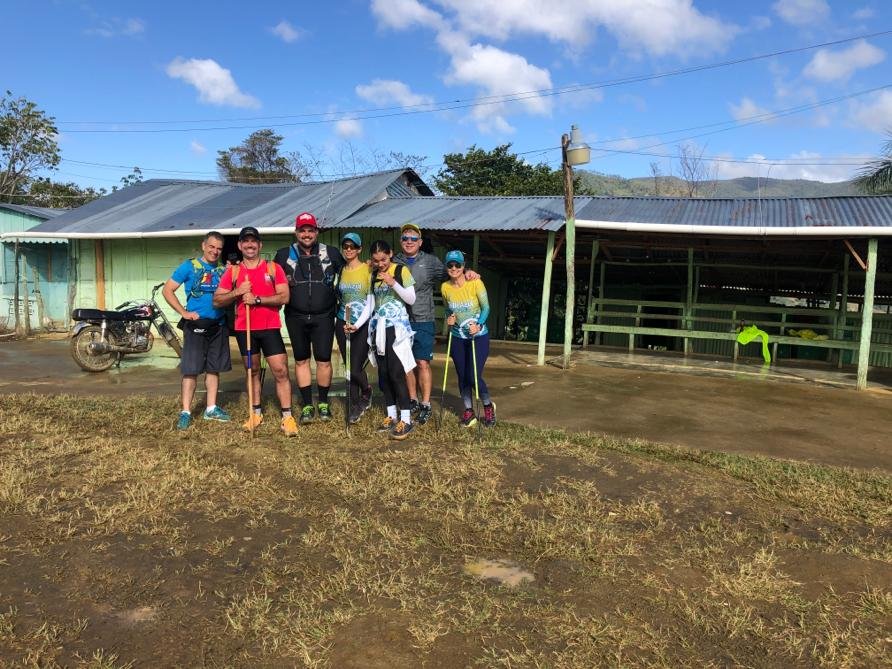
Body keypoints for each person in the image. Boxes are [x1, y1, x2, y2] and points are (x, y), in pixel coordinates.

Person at [214, 226, 297, 436]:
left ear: (260, 245)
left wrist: (257, 299)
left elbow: (284, 296)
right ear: (240, 245)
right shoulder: (233, 272)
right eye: (246, 241)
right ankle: (256, 413)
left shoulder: (273, 268)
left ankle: (287, 417)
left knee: (280, 370)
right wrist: (238, 292)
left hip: (270, 327)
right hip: (245, 329)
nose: (250, 245)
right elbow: (217, 300)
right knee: (252, 371)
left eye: (253, 241)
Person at [394, 223, 479, 426]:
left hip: (423, 318)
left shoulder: (430, 262)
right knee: (406, 363)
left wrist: (468, 272)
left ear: (420, 242)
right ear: (400, 241)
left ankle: (425, 404)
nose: (409, 242)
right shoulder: (394, 261)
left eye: (413, 238)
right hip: (400, 319)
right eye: (405, 238)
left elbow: (452, 273)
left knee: (422, 363)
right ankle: (412, 400)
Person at [274, 212, 346, 425]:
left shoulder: (331, 253)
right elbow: (269, 279)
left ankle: (323, 403)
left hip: (324, 316)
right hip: (295, 316)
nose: (306, 234)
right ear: (296, 232)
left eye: (310, 230)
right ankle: (307, 404)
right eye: (302, 230)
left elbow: (349, 273)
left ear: (316, 232)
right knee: (301, 360)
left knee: (324, 360)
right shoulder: (283, 255)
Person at [162, 231, 232, 430]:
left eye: (219, 248)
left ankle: (211, 408)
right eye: (211, 247)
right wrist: (183, 312)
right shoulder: (189, 266)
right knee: (191, 370)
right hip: (196, 326)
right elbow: (167, 290)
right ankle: (186, 412)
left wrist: (231, 272)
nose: (215, 251)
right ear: (203, 246)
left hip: (218, 325)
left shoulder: (223, 270)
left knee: (213, 368)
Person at [366, 240, 416, 440]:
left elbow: (411, 298)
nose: (380, 264)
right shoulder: (373, 275)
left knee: (396, 373)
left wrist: (393, 282)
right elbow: (371, 305)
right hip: (379, 329)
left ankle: (407, 419)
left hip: (398, 328)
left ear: (391, 254)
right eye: (376, 261)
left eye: (384, 259)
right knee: (384, 373)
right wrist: (356, 325)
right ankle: (391, 415)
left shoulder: (401, 271)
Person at [441, 250, 496, 428]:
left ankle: (488, 406)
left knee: (473, 376)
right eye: (450, 265)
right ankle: (468, 411)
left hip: (478, 336)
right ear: (446, 267)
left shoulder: (475, 283)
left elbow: (486, 308)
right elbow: (448, 310)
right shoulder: (445, 287)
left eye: (457, 264)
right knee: (462, 376)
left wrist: (478, 325)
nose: (454, 268)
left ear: (463, 266)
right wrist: (449, 318)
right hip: (457, 337)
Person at [334, 232, 373, 424]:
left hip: (362, 324)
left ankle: (367, 391)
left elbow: (371, 301)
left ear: (359, 249)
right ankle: (355, 405)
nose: (349, 249)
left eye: (353, 246)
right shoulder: (341, 270)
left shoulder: (368, 269)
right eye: (346, 246)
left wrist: (357, 325)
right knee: (349, 366)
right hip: (343, 322)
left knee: (356, 366)